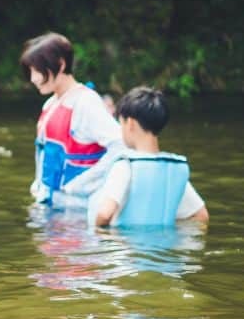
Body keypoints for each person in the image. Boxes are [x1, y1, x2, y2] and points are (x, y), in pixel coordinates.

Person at [21, 32, 123, 202]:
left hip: (79, 210)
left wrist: (80, 185)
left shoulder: (85, 103)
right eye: (31, 71)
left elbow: (121, 146)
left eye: (37, 70)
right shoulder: (50, 104)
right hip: (51, 207)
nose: (33, 78)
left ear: (60, 65)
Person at [89, 87, 208, 227]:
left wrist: (101, 235)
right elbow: (201, 216)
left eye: (121, 124)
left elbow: (104, 214)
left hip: (125, 247)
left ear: (130, 123)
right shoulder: (175, 168)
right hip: (162, 247)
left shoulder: (125, 165)